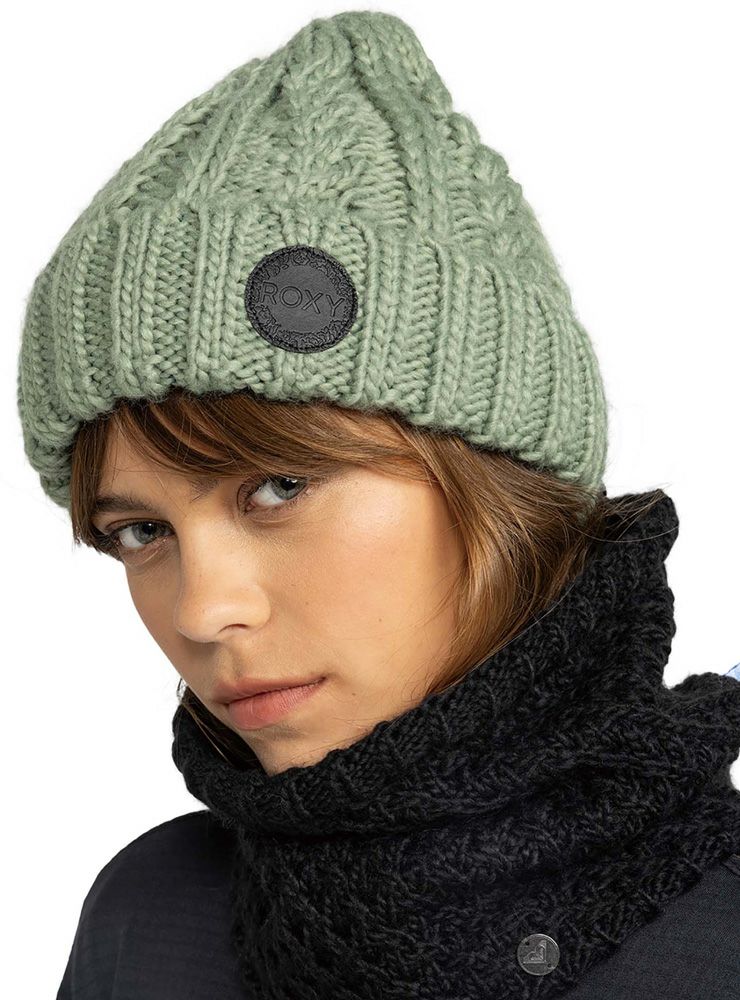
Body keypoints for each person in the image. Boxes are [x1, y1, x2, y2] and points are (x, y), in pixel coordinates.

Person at [16, 10, 739, 1000]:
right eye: (141, 531)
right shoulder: (149, 916)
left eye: (278, 486)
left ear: (501, 486)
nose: (202, 610)